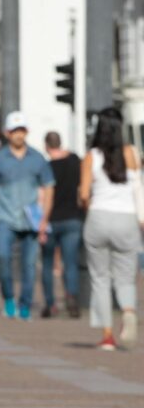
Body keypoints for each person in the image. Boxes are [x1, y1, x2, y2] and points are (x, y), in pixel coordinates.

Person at [0, 111, 55, 321]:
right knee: (3, 258)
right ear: (7, 133)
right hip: (5, 218)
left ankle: (25, 304)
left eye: (21, 130)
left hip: (31, 220)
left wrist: (44, 219)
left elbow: (49, 187)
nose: (18, 135)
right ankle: (8, 298)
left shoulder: (38, 158)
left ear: (27, 132)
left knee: (30, 265)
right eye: (14, 131)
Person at [80, 107, 139, 350]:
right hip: (126, 218)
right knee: (126, 277)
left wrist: (89, 206)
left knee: (100, 278)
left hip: (99, 218)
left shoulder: (92, 156)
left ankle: (107, 336)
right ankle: (128, 311)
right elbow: (138, 188)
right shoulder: (131, 153)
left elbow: (84, 194)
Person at [41, 131, 83, 319]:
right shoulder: (75, 160)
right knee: (70, 262)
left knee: (48, 263)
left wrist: (41, 221)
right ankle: (71, 297)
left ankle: (50, 304)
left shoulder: (47, 167)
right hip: (72, 218)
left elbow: (42, 196)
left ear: (46, 146)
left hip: (51, 220)